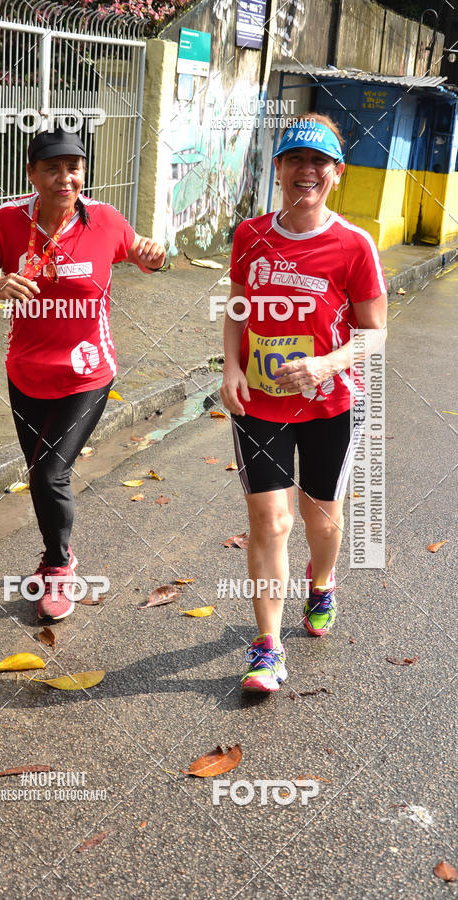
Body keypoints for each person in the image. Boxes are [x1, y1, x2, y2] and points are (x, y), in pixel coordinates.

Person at [0, 128, 165, 621]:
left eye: (74, 167)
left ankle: (57, 570)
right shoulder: (8, 221)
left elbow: (146, 256)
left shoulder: (105, 221)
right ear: (33, 174)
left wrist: (156, 256)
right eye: (52, 168)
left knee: (51, 472)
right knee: (39, 476)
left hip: (87, 372)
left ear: (82, 172)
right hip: (25, 370)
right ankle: (60, 553)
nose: (64, 178)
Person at [220, 113, 387, 692]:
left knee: (322, 521)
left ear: (335, 174)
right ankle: (266, 646)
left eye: (318, 162)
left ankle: (322, 582)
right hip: (260, 402)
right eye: (295, 160)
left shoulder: (353, 245)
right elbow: (238, 305)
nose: (305, 171)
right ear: (279, 169)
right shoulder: (250, 235)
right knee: (270, 520)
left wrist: (325, 364)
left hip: (330, 404)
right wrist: (233, 365)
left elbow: (375, 334)